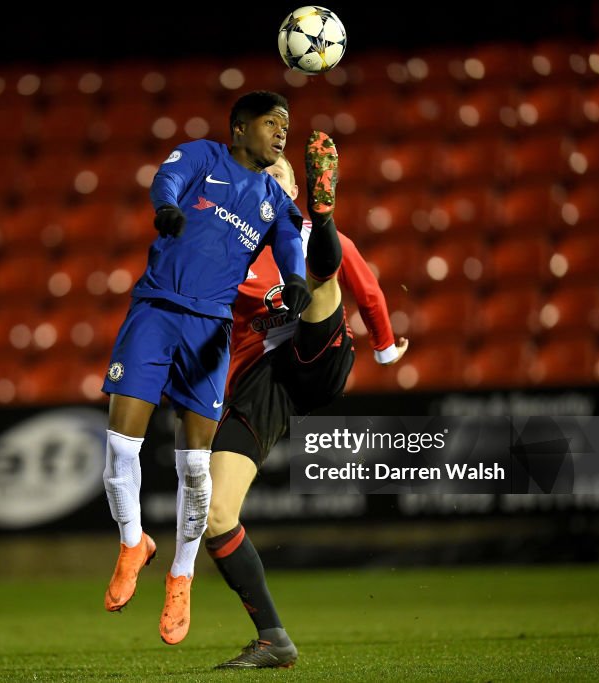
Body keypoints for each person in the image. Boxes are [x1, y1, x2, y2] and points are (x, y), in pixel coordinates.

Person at [100, 91, 314, 647]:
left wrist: (293, 279)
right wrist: (166, 207)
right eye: (272, 124)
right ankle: (132, 543)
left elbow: (291, 242)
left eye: (285, 126)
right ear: (240, 129)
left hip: (211, 330)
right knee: (122, 443)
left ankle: (181, 576)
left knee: (195, 466)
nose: (281, 133)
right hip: (156, 311)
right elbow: (165, 181)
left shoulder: (274, 199)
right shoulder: (202, 156)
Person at [204, 131, 409, 668]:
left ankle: (325, 216)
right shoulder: (224, 251)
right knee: (216, 514)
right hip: (261, 381)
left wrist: (385, 349)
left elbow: (367, 292)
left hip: (318, 353)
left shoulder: (313, 232)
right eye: (257, 177)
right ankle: (274, 639)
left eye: (278, 176)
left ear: (295, 186)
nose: (268, 181)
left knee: (323, 280)